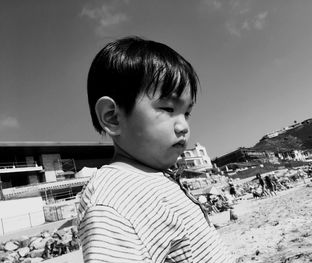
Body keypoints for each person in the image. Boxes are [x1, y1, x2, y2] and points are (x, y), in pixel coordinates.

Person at [77, 36, 232, 263]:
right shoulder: (113, 200)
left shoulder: (152, 177)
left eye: (186, 113)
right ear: (112, 117)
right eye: (168, 108)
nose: (184, 126)